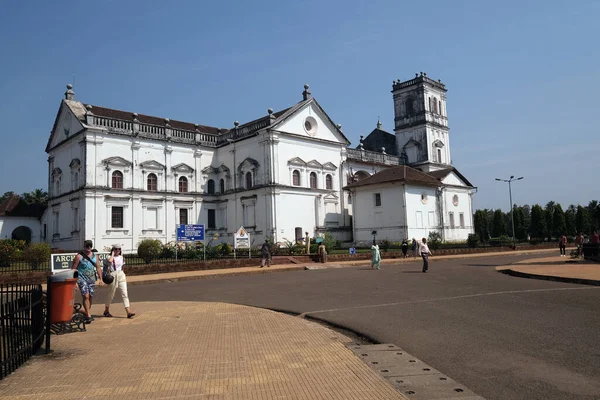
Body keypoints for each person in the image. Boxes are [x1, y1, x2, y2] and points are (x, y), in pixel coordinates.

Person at [71, 240, 104, 324]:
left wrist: (101, 279)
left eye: (90, 246)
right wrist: (74, 282)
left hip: (91, 279)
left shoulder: (95, 256)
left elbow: (98, 268)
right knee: (86, 296)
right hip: (81, 279)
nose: (88, 247)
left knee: (90, 297)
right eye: (87, 246)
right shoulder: (79, 256)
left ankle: (87, 312)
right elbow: (74, 269)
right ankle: (88, 315)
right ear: (84, 246)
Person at [103, 244, 135, 319]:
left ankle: (128, 311)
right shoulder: (109, 257)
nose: (117, 251)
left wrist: (123, 273)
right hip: (113, 274)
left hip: (121, 274)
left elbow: (123, 266)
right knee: (111, 294)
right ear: (113, 250)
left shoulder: (122, 258)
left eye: (119, 249)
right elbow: (110, 261)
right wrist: (112, 254)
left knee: (124, 293)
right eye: (116, 249)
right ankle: (106, 310)